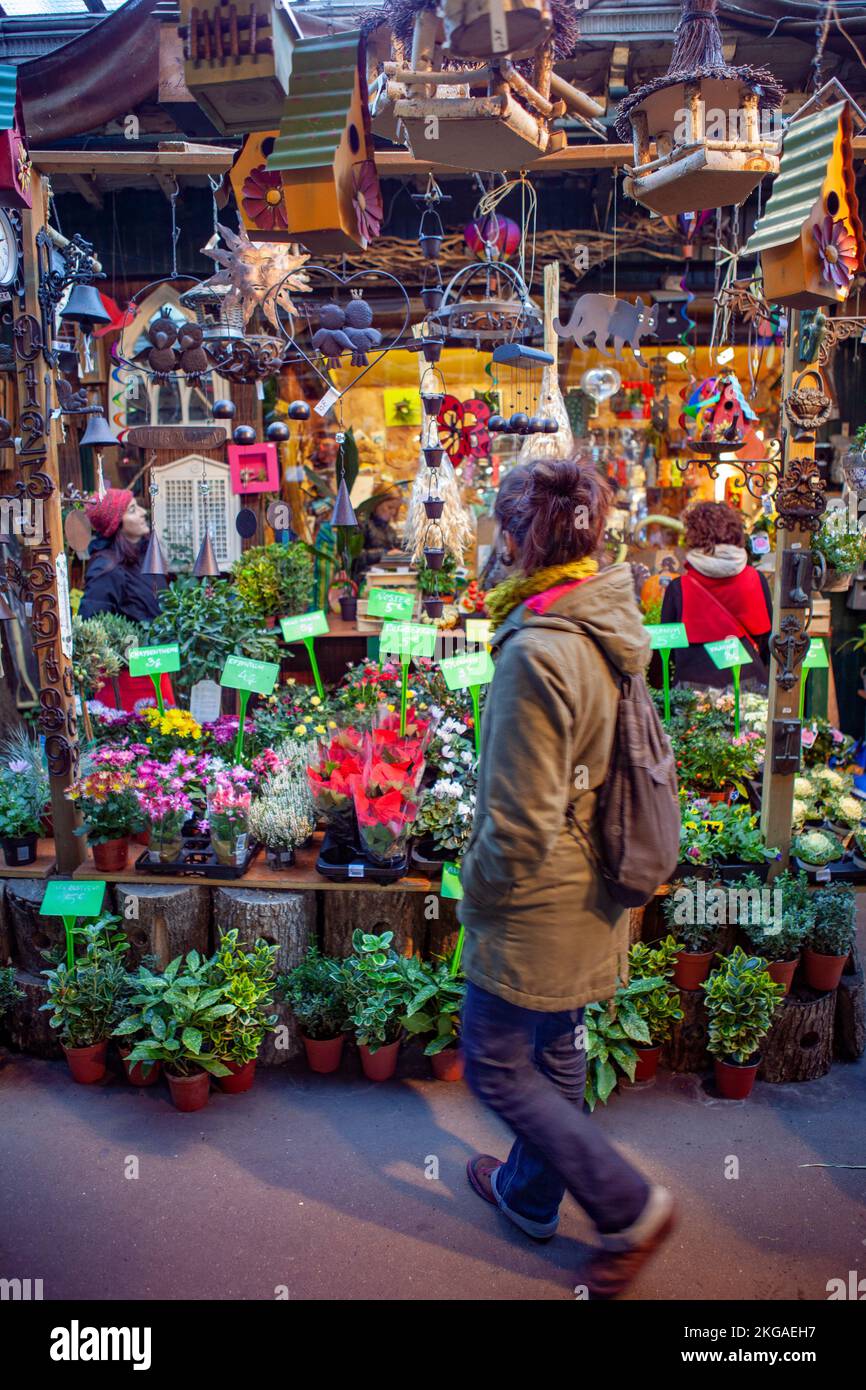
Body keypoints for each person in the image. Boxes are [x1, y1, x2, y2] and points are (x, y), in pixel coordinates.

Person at [459, 458, 675, 1300]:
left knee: (496, 1066)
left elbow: (515, 829)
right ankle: (527, 1196)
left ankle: (629, 1205)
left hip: (537, 905)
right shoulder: (601, 619)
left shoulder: (535, 651)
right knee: (552, 1056)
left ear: (517, 540)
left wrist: (470, 893)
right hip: (598, 884)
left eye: (498, 535)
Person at [660, 501, 772, 688]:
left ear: (693, 536)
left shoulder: (678, 588)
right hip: (748, 685)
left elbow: (667, 648)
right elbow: (767, 640)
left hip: (693, 689)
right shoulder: (757, 580)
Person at [78, 488, 172, 711]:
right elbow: (89, 625)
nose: (142, 512)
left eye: (138, 506)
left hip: (158, 669)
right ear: (116, 525)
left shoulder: (146, 555)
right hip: (127, 681)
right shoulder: (107, 568)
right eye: (132, 510)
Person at [356, 487, 403, 575]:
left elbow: (396, 548)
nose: (393, 512)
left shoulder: (390, 530)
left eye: (396, 509)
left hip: (383, 579)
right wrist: (384, 554)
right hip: (364, 581)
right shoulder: (361, 524)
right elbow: (354, 557)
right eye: (390, 507)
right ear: (377, 503)